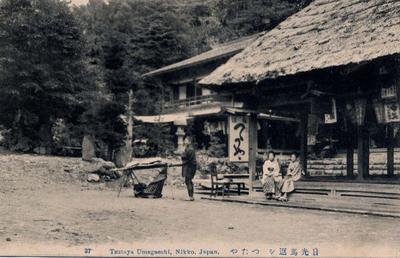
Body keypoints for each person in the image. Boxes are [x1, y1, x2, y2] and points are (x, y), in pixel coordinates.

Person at [181, 135, 197, 201]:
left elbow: (187, 159)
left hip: (190, 167)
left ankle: (191, 196)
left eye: (186, 140)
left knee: (188, 181)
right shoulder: (188, 148)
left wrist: (183, 156)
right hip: (189, 166)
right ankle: (191, 196)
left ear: (189, 142)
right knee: (188, 181)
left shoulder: (190, 149)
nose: (184, 141)